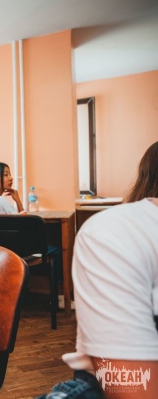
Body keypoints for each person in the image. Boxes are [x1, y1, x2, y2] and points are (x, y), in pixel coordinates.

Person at [36, 141, 158, 399]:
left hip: (23, 257)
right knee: (54, 253)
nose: (10, 178)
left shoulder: (117, 230)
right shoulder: (115, 233)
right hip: (34, 255)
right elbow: (130, 385)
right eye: (6, 174)